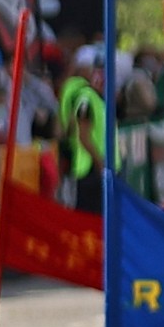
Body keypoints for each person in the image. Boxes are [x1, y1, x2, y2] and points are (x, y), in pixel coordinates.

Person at [57, 45, 106, 213]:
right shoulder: (83, 93)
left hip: (82, 159)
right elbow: (78, 129)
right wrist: (100, 163)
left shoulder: (76, 89)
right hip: (88, 164)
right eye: (95, 69)